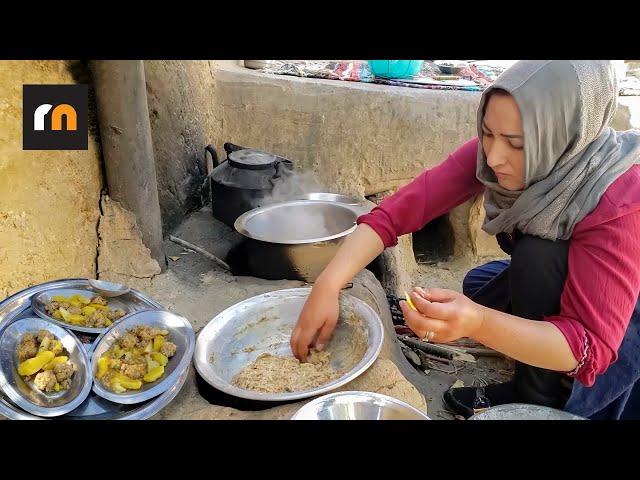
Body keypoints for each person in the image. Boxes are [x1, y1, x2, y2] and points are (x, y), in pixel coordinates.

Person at [290, 60, 640, 419]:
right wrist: (328, 284)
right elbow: (399, 211)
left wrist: (477, 323)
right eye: (488, 133)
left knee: (537, 257)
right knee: (480, 283)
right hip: (569, 282)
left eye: (516, 143)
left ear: (563, 135)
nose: (494, 156)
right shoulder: (499, 154)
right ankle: (533, 344)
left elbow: (590, 345)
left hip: (621, 314)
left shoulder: (618, 198)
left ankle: (537, 395)